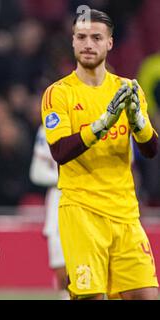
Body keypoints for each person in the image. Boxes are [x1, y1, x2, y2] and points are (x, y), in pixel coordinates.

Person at [41, 8, 158, 300]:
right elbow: (60, 151)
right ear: (73, 42)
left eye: (96, 37)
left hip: (125, 213)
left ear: (110, 43)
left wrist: (139, 123)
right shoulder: (59, 94)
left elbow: (151, 149)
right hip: (82, 213)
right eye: (81, 37)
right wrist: (102, 124)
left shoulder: (127, 89)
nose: (88, 44)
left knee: (147, 295)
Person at [29, 125, 68, 300]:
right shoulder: (49, 127)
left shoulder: (98, 118)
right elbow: (37, 172)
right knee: (63, 274)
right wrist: (68, 179)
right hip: (59, 199)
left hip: (94, 199)